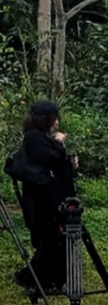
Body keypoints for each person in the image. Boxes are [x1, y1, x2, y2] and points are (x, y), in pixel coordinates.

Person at [11, 100, 77, 292]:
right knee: (51, 239)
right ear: (48, 119)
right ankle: (30, 278)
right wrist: (59, 143)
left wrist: (70, 165)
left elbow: (55, 165)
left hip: (49, 198)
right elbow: (52, 159)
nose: (57, 121)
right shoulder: (34, 138)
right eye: (55, 118)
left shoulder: (39, 137)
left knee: (56, 239)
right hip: (42, 201)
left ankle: (52, 281)